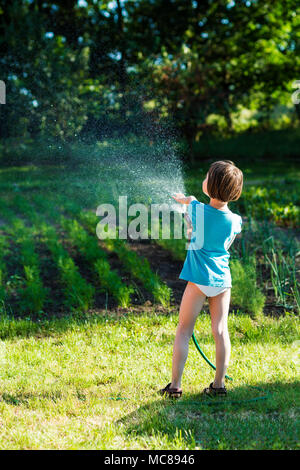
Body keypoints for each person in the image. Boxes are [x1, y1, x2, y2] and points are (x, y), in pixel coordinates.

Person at [159, 160, 243, 398]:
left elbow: (192, 213)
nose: (204, 179)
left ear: (211, 186)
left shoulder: (197, 209)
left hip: (198, 280)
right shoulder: (235, 221)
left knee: (184, 330)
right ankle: (219, 386)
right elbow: (224, 244)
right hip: (222, 282)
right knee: (220, 331)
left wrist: (188, 205)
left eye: (207, 177)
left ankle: (175, 386)